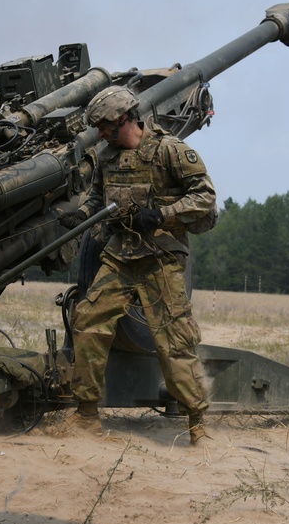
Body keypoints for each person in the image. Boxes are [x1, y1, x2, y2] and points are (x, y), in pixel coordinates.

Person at [59, 85, 216, 443]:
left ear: (123, 119)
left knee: (173, 339)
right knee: (88, 320)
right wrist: (81, 215)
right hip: (121, 254)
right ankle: (86, 416)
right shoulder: (107, 155)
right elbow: (98, 197)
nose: (100, 133)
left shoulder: (169, 151)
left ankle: (197, 425)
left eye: (103, 126)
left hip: (160, 257)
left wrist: (161, 214)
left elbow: (204, 197)